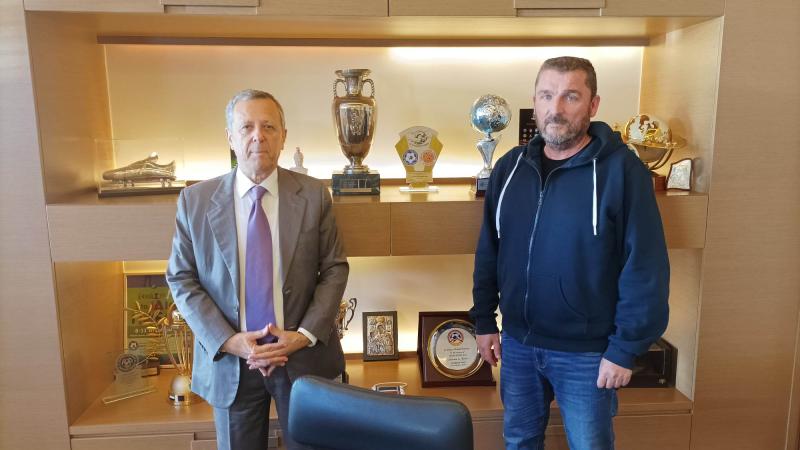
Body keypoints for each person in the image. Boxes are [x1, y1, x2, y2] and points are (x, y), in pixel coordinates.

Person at [471, 56, 669, 450]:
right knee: (519, 442)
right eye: (546, 96)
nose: (556, 108)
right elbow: (489, 249)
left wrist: (624, 349)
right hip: (518, 345)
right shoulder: (510, 168)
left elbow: (645, 266)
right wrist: (483, 320)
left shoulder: (623, 172)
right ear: (534, 101)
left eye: (570, 97)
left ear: (593, 105)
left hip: (588, 354)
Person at [166, 89, 348, 450]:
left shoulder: (314, 195)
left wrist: (302, 335)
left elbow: (334, 269)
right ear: (230, 137)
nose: (258, 136)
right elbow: (181, 278)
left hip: (302, 357)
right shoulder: (195, 201)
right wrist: (228, 340)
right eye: (246, 127)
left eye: (268, 126)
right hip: (231, 361)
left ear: (283, 136)